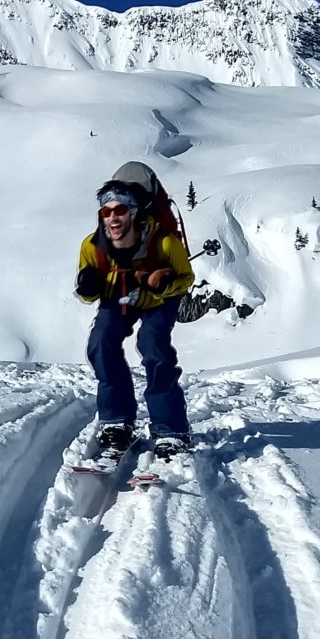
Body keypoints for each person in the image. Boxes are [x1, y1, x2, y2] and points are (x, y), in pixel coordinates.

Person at [74, 161, 195, 460]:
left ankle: (171, 429)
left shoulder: (164, 242)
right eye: (107, 211)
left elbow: (186, 278)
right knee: (102, 341)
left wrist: (163, 286)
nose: (113, 217)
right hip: (120, 297)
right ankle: (117, 420)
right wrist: (89, 287)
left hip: (158, 300)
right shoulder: (92, 247)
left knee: (152, 344)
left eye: (121, 209)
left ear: (135, 210)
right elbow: (88, 293)